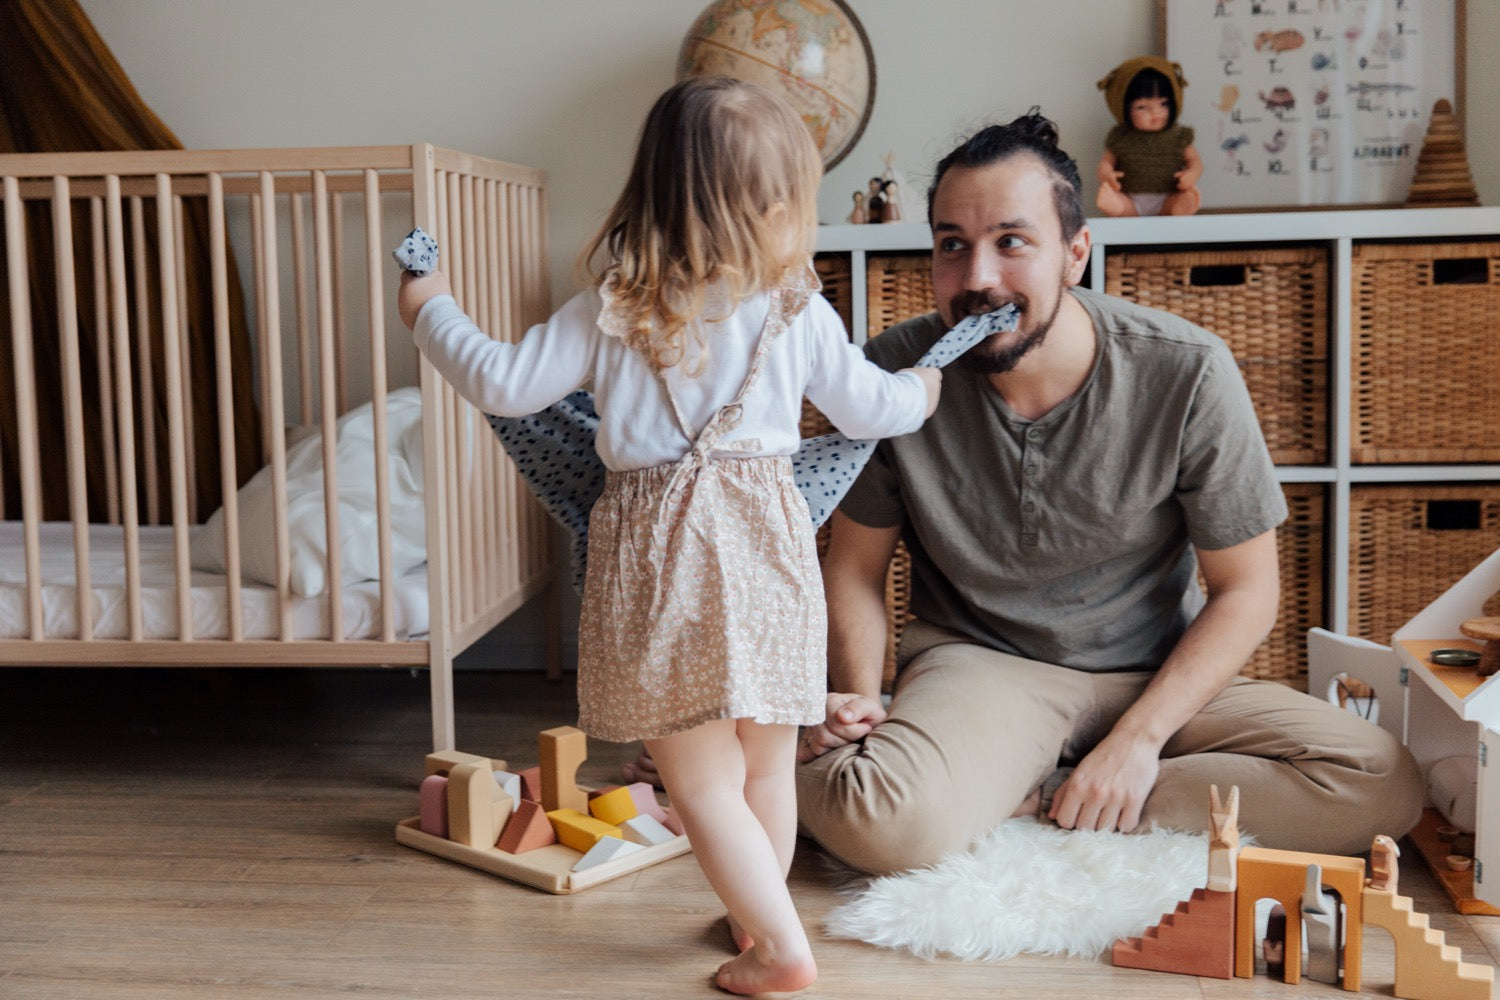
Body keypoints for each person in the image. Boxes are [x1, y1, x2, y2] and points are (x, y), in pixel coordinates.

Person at [398, 76, 940, 994]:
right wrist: (925, 385)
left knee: (698, 781)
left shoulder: (613, 308)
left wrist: (430, 307)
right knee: (766, 765)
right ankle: (758, 915)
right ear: (772, 208)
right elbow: (871, 406)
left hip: (662, 561)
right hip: (769, 552)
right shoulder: (797, 306)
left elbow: (501, 382)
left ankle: (776, 947)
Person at [793, 109, 1423, 877]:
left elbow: (1247, 591)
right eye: (952, 245)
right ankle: (1006, 789)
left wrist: (1137, 742)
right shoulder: (893, 374)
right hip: (981, 669)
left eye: (1012, 241)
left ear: (1075, 255)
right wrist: (859, 710)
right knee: (873, 813)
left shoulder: (1186, 370)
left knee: (1384, 781)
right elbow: (854, 570)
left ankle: (1052, 796)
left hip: (1154, 673)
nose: (978, 278)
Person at [1095, 56, 1203, 216]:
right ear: (1122, 108)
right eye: (1142, 107)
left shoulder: (1179, 136)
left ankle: (1179, 207)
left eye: (1163, 104)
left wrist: (1191, 175)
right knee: (1122, 204)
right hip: (1131, 198)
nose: (1156, 113)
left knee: (1180, 199)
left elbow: (1194, 161)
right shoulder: (1120, 138)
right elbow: (1106, 162)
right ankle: (1118, 206)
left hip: (1168, 197)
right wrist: (1108, 175)